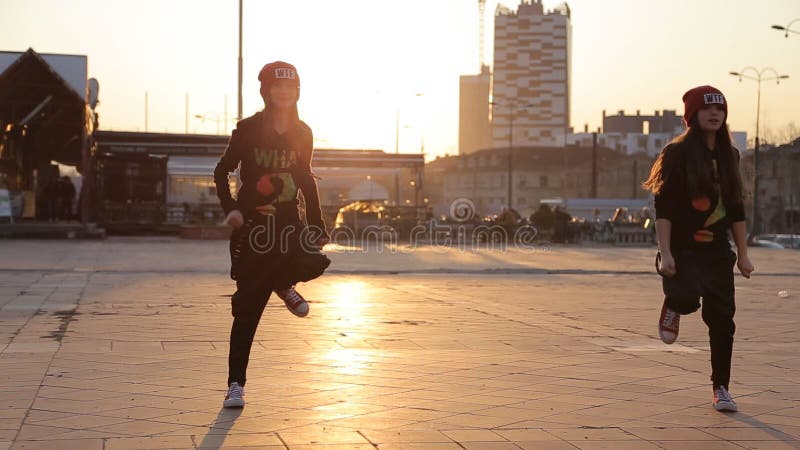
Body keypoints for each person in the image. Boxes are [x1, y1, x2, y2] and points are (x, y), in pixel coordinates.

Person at [214, 61, 330, 408]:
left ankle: (282, 282)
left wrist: (317, 222)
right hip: (252, 225)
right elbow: (222, 172)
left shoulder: (303, 132)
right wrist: (230, 208)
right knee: (247, 308)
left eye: (291, 87)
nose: (284, 92)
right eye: (277, 87)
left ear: (297, 92)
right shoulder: (248, 129)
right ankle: (236, 384)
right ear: (266, 91)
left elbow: (306, 178)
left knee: (313, 261)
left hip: (288, 223)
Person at [643, 85, 754, 412]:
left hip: (717, 250)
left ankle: (721, 387)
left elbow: (736, 208)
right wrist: (666, 252)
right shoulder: (676, 153)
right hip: (682, 246)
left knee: (722, 319)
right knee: (689, 298)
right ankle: (675, 302)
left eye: (719, 109)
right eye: (706, 109)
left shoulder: (730, 156)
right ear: (692, 116)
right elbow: (662, 207)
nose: (714, 113)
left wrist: (744, 255)